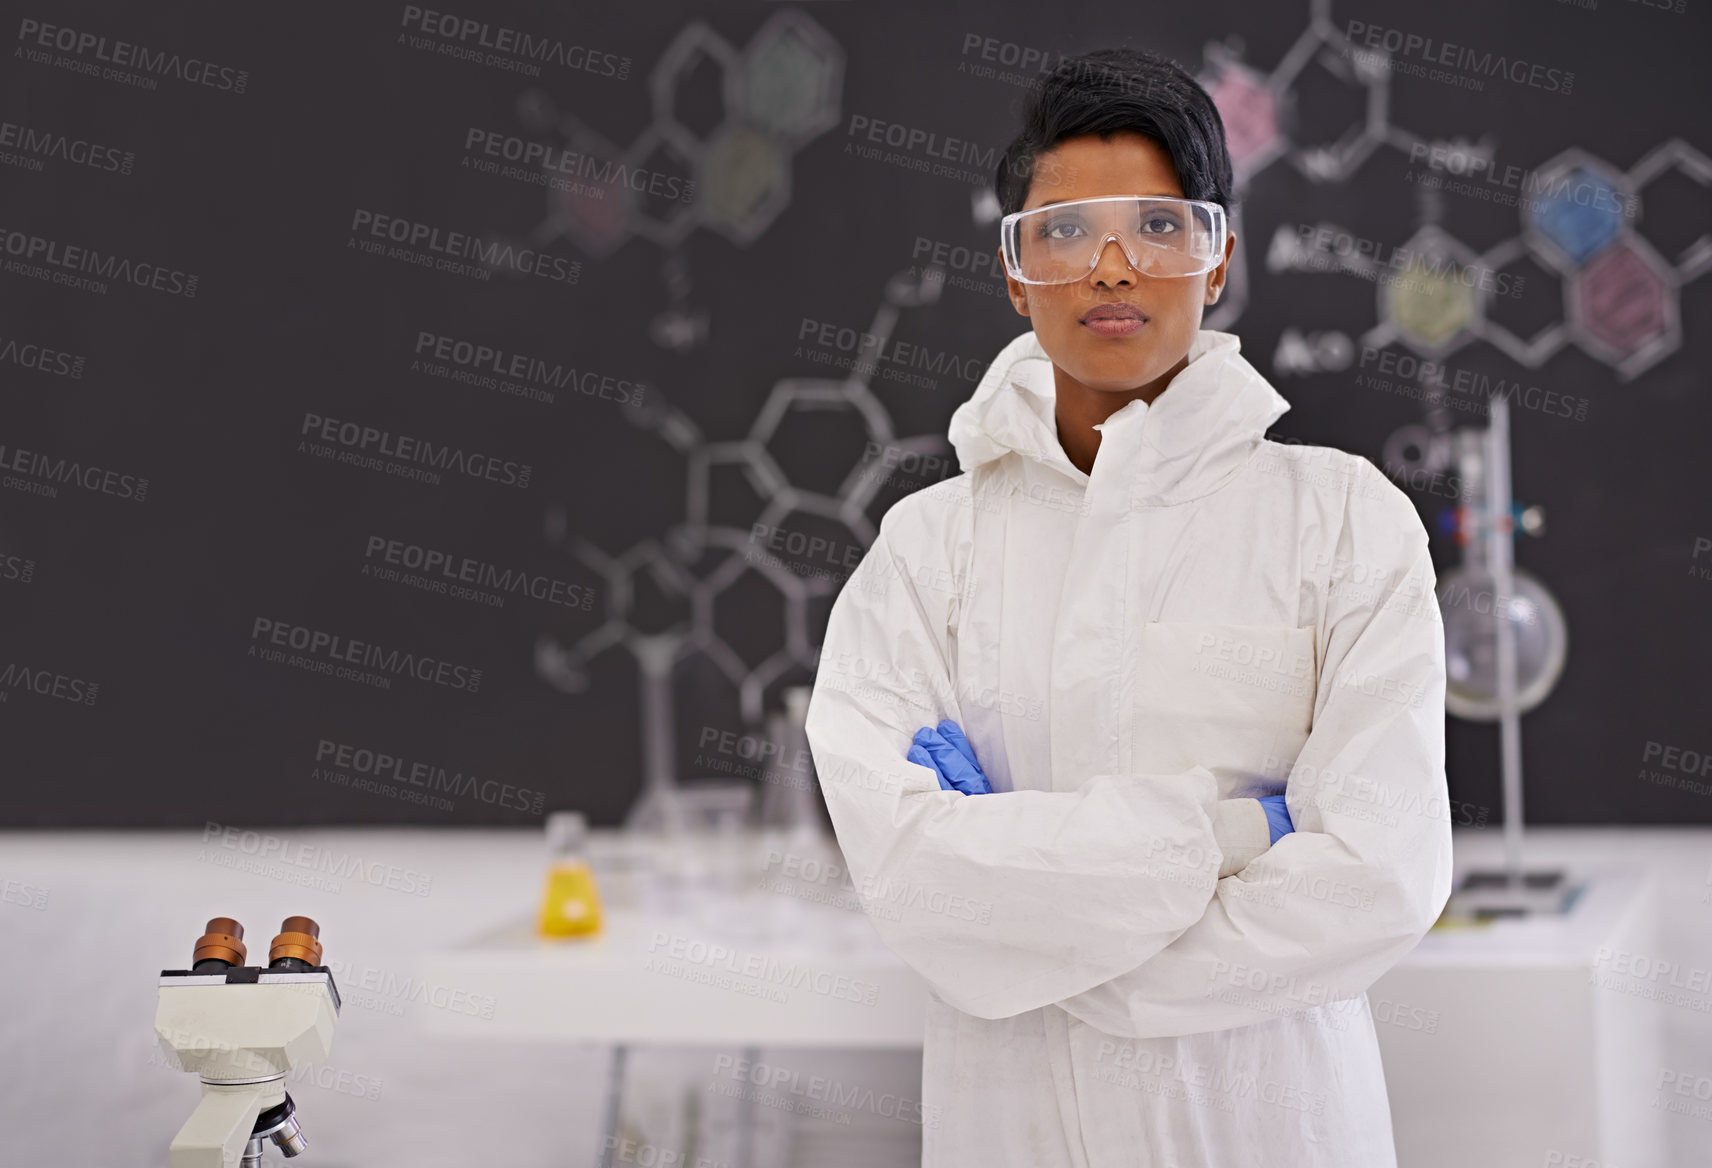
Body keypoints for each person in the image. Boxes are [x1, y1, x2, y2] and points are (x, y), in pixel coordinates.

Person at [803, 46, 1452, 1168]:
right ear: (1016, 272)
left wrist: (1036, 937)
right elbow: (911, 877)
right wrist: (1233, 837)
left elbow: (1378, 877)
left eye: (1157, 225)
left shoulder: (1344, 523)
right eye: (1064, 230)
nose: (1111, 267)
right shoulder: (925, 550)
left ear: (1217, 258)